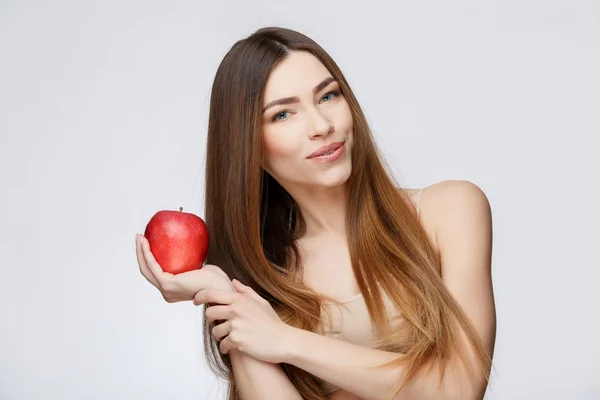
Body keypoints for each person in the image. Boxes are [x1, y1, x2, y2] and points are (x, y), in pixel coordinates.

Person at [135, 26, 496, 400]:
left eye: (328, 95)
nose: (322, 126)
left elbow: (458, 388)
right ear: (249, 148)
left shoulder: (450, 209)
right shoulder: (263, 280)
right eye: (282, 115)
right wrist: (222, 297)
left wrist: (286, 340)